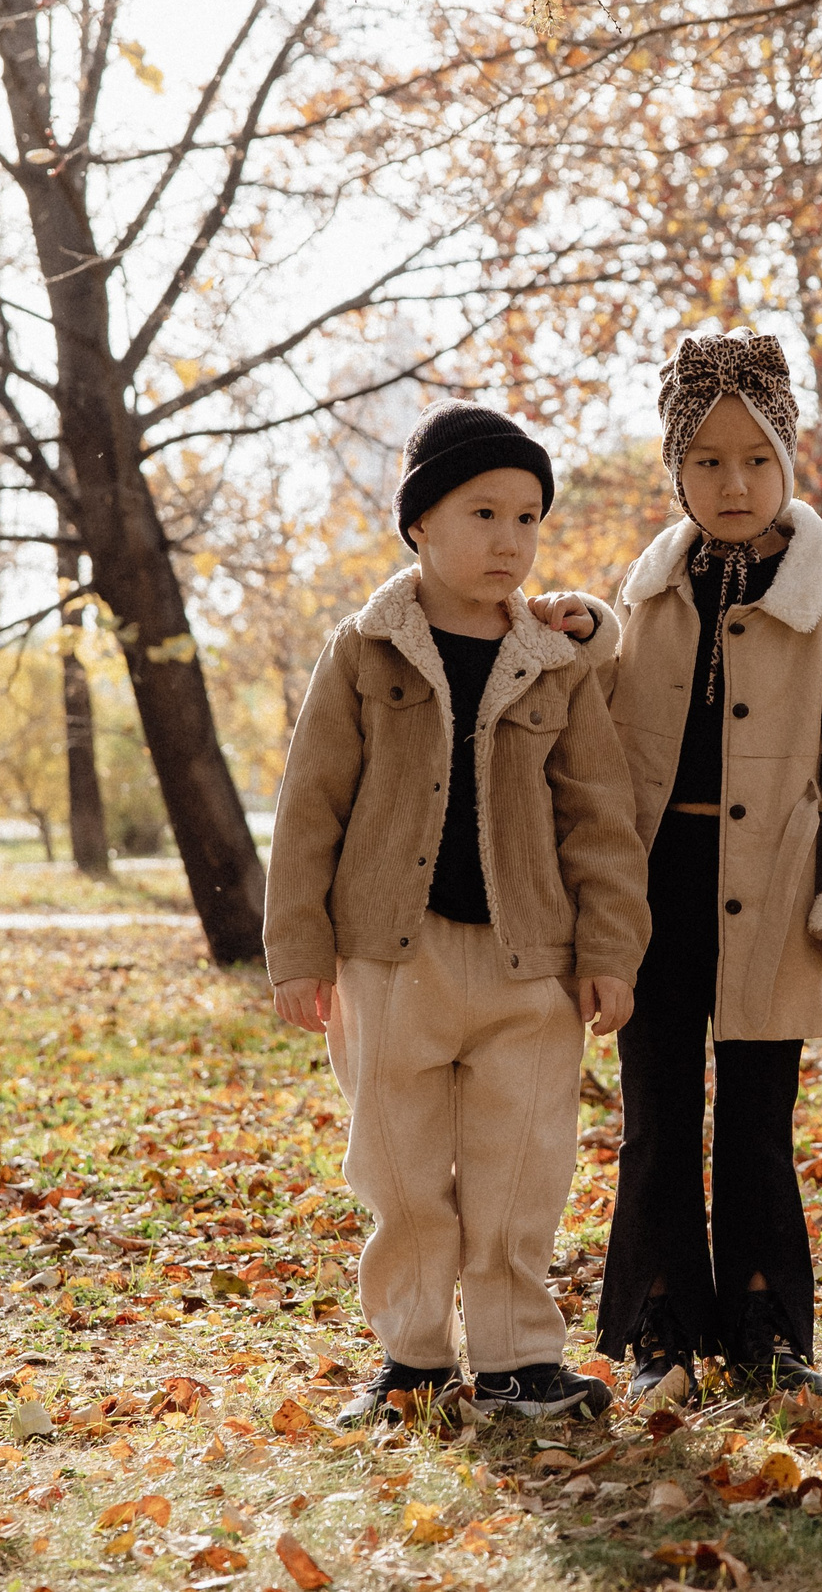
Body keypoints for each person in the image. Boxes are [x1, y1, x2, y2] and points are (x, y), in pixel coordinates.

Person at [537, 327, 822, 1403]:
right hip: (660, 886)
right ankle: (661, 1323)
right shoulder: (653, 586)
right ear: (676, 470)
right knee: (656, 1112)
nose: (732, 482)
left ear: (787, 461)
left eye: (754, 458)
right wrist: (584, 633)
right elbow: (616, 711)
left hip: (778, 887)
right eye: (705, 461)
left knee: (757, 1116)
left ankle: (765, 1323)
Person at [265, 399, 651, 1427]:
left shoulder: (554, 659)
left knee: (521, 1171)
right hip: (392, 960)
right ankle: (414, 1359)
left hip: (531, 965)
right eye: (484, 515)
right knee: (399, 1170)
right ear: (421, 525)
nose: (510, 541)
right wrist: (298, 949)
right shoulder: (363, 651)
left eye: (528, 518)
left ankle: (522, 1359)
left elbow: (599, 822)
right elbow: (311, 808)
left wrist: (611, 949)